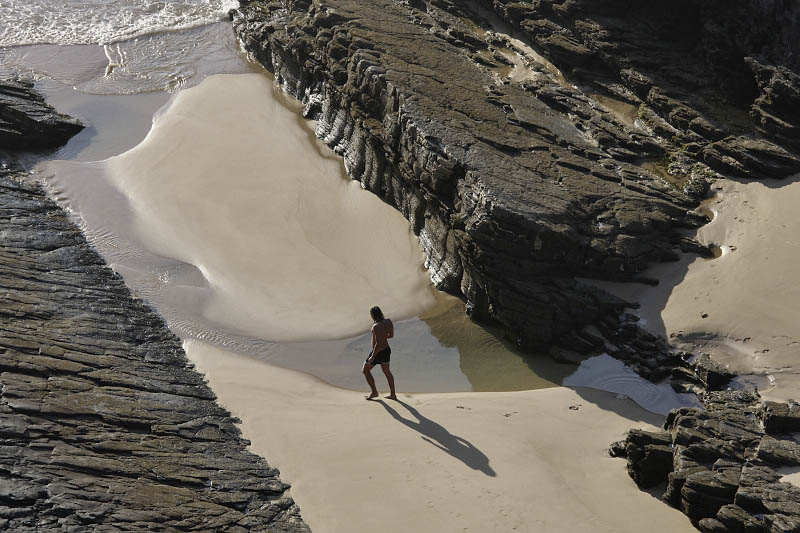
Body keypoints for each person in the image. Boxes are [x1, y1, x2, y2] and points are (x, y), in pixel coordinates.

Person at [363, 306, 396, 400]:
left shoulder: (376, 326)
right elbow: (391, 335)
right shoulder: (388, 321)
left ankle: (374, 392)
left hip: (378, 352)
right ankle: (393, 394)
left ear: (372, 315)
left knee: (365, 370)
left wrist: (373, 356)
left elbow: (378, 343)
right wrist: (383, 336)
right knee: (387, 372)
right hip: (386, 350)